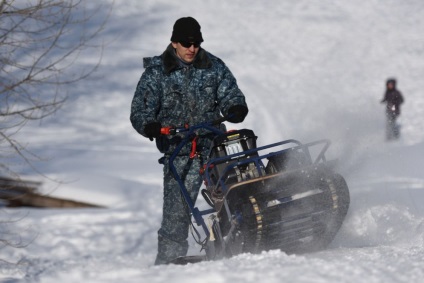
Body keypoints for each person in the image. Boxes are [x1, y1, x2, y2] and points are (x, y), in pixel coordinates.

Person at [130, 17, 248, 265]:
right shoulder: (156, 73)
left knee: (236, 195)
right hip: (180, 153)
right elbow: (140, 111)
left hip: (214, 146)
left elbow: (230, 92)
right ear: (174, 42)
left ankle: (242, 252)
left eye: (196, 43)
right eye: (186, 43)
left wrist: (235, 106)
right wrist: (149, 125)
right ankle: (166, 269)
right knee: (176, 218)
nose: (192, 49)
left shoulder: (213, 66)